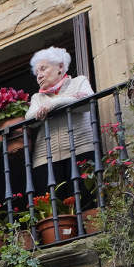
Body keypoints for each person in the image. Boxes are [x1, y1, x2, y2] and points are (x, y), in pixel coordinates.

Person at [23, 46, 96, 207]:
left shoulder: (79, 82)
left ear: (60, 67)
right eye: (37, 73)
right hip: (45, 159)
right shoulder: (37, 97)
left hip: (81, 149)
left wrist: (53, 103)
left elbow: (87, 102)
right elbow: (30, 118)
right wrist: (56, 103)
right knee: (55, 207)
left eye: (43, 69)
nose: (39, 76)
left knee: (86, 200)